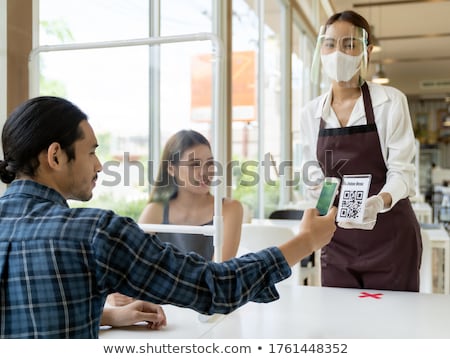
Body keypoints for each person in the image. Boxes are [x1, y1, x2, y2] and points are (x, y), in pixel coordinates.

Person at [0, 96, 337, 338]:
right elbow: (215, 286)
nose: (100, 166)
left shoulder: (227, 209)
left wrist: (106, 316)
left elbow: (28, 317)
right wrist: (306, 240)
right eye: (91, 152)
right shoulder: (95, 233)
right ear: (56, 156)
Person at [299, 10, 422, 291]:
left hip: (390, 238)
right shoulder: (310, 113)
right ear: (321, 49)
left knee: (392, 326)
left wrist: (378, 202)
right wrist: (323, 204)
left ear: (366, 50)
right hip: (336, 238)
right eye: (330, 44)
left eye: (349, 44)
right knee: (341, 325)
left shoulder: (390, 102)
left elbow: (402, 171)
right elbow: (315, 178)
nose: (338, 53)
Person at [108, 130, 243, 306]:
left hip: (208, 314)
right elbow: (128, 269)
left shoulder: (230, 209)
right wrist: (114, 292)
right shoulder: (155, 211)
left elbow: (217, 277)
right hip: (161, 316)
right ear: (172, 168)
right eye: (194, 164)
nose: (205, 172)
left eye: (209, 163)